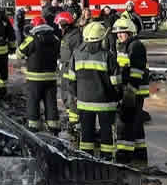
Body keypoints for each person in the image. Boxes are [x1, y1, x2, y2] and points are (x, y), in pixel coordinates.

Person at [66, 22, 121, 160]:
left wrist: (77, 96)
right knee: (106, 133)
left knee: (86, 133)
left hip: (84, 102)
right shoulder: (108, 56)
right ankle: (106, 158)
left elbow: (71, 80)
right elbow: (116, 82)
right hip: (106, 103)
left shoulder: (76, 54)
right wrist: (118, 97)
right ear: (101, 38)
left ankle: (86, 159)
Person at [112, 18, 149, 163]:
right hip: (130, 89)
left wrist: (130, 91)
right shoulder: (125, 45)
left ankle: (124, 155)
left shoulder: (135, 46)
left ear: (130, 32)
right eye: (118, 33)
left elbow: (136, 71)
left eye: (122, 32)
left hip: (134, 91)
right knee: (136, 122)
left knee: (125, 122)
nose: (119, 35)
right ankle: (140, 152)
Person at [18, 15, 61, 133]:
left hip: (34, 78)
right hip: (51, 77)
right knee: (51, 102)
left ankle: (34, 126)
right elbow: (60, 53)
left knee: (33, 101)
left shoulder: (32, 39)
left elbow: (19, 53)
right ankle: (54, 126)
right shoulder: (55, 39)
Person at [56, 11, 81, 134]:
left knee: (72, 97)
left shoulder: (75, 36)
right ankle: (70, 119)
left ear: (65, 24)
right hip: (65, 70)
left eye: (59, 25)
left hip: (71, 71)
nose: (58, 27)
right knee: (65, 95)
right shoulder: (67, 35)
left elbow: (76, 55)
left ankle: (75, 123)